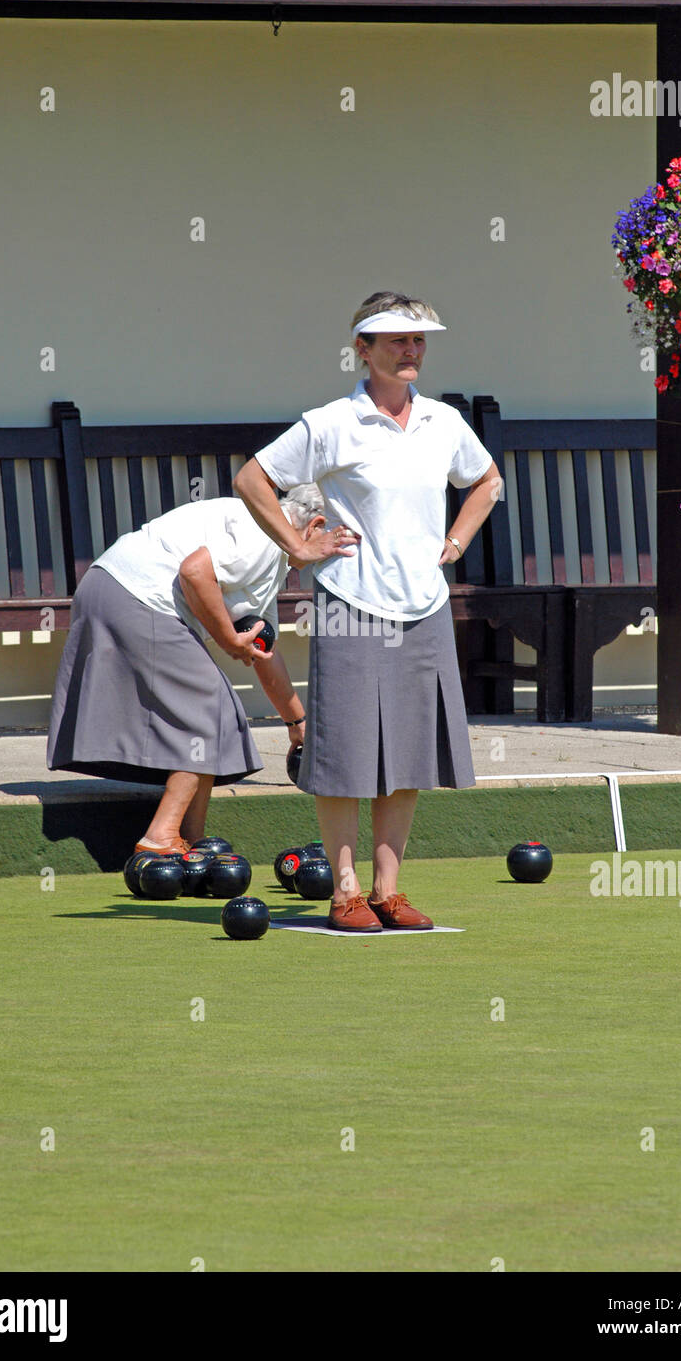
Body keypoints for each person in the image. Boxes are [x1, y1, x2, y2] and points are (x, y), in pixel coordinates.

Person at [234, 290, 503, 930]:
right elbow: (252, 479)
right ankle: (345, 893)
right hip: (350, 604)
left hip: (425, 607)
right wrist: (298, 543)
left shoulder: (443, 422)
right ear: (363, 350)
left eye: (418, 341)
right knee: (345, 753)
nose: (411, 352)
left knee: (407, 753)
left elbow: (487, 481)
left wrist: (456, 542)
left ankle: (388, 891)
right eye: (396, 342)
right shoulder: (331, 423)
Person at [46, 483, 342, 853]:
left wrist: (297, 725)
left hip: (107, 586)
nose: (335, 553)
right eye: (336, 540)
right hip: (137, 594)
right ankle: (160, 836)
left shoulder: (273, 557)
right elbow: (194, 572)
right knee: (209, 705)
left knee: (213, 710)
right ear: (315, 525)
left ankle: (190, 839)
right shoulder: (266, 532)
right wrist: (228, 640)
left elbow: (264, 651)